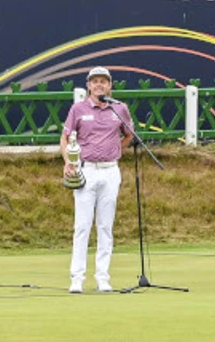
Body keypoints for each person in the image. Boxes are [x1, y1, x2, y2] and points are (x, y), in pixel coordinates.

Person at [60, 65, 134, 293]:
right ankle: (77, 278)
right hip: (86, 170)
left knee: (105, 226)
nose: (99, 84)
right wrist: (68, 162)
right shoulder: (78, 108)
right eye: (95, 81)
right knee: (82, 226)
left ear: (110, 85)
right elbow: (65, 138)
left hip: (111, 170)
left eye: (103, 81)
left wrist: (115, 150)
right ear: (89, 85)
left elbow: (129, 135)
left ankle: (103, 277)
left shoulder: (119, 109)